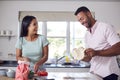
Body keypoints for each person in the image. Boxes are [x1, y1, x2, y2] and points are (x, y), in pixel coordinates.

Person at [74, 6, 120, 80]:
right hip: (94, 74)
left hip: (109, 75)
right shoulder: (87, 35)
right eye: (79, 20)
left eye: (82, 18)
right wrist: (81, 57)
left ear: (89, 14)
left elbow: (118, 48)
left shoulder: (105, 27)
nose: (81, 22)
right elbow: (89, 58)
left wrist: (96, 52)